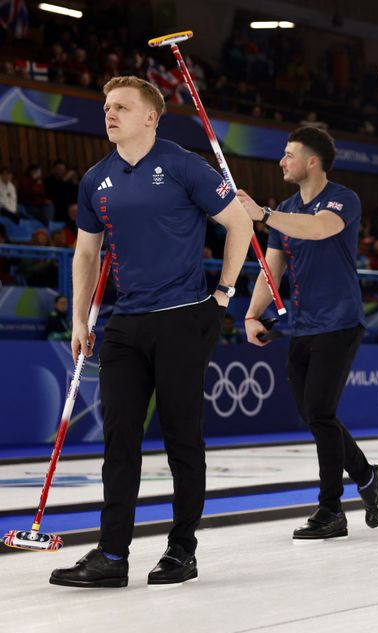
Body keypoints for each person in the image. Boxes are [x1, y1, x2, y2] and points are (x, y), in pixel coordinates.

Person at [50, 76, 254, 588]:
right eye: (105, 106)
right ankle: (112, 556)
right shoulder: (96, 178)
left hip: (185, 316)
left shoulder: (184, 164)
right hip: (125, 324)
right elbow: (86, 253)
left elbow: (240, 225)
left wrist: (224, 294)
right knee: (119, 439)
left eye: (121, 106)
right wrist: (79, 319)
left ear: (150, 117)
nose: (109, 113)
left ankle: (181, 550)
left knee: (183, 437)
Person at [237, 126, 378, 541]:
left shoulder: (343, 199)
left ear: (312, 161)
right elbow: (272, 271)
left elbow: (320, 228)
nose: (281, 161)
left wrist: (264, 215)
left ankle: (331, 510)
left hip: (339, 322)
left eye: (289, 154)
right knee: (313, 414)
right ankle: (367, 474)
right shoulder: (286, 208)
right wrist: (253, 315)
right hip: (300, 325)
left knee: (320, 412)